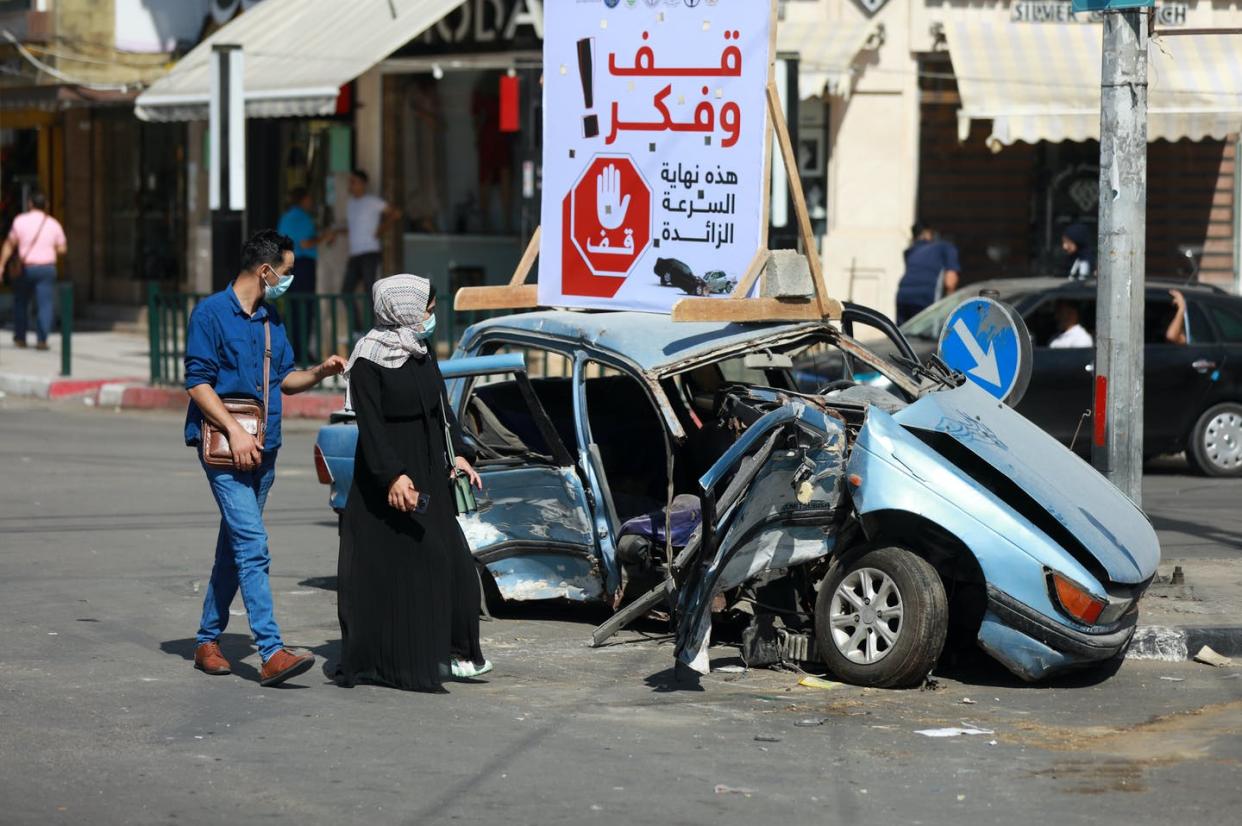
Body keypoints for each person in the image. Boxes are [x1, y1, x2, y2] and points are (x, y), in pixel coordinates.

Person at [184, 229, 347, 687]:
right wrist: (233, 431)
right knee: (252, 545)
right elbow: (198, 383)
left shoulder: (271, 319)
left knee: (234, 546)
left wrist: (319, 372)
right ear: (265, 270)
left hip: (265, 448)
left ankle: (206, 640)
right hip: (224, 448)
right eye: (288, 272)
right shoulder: (210, 314)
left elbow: (285, 380)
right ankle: (271, 650)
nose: (289, 279)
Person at [335, 274, 490, 692]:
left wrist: (459, 452)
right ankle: (385, 658)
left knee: (453, 561)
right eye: (427, 308)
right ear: (403, 309)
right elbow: (371, 427)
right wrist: (393, 476)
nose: (430, 317)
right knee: (393, 568)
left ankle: (457, 651)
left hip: (428, 469)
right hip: (388, 477)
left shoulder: (420, 353)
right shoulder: (367, 359)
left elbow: (443, 410)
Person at [0, 191, 66, 351]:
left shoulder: (20, 221)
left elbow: (10, 244)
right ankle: (42, 340)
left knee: (21, 302)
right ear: (47, 206)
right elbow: (62, 248)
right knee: (45, 304)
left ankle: (21, 338)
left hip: (26, 268)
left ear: (30, 204)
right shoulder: (53, 224)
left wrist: (1, 265)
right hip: (46, 268)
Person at [277, 188, 335, 363]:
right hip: (302, 265)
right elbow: (305, 242)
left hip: (286, 266)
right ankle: (301, 352)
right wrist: (323, 237)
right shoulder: (301, 218)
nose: (311, 202)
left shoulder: (285, 217)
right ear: (302, 200)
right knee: (304, 308)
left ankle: (291, 350)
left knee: (292, 308)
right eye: (309, 198)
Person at [342, 169, 402, 333]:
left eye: (353, 182)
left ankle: (373, 329)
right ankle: (358, 329)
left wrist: (381, 230)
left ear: (362, 184)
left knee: (370, 290)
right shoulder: (350, 204)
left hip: (370, 251)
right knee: (346, 291)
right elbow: (352, 227)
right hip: (355, 254)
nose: (350, 185)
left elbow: (396, 213)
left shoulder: (373, 201)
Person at [895, 221, 960, 325]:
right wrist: (950, 308)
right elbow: (950, 281)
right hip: (925, 299)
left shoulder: (910, 252)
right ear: (928, 233)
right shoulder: (945, 247)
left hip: (903, 296)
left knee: (902, 335)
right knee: (926, 338)